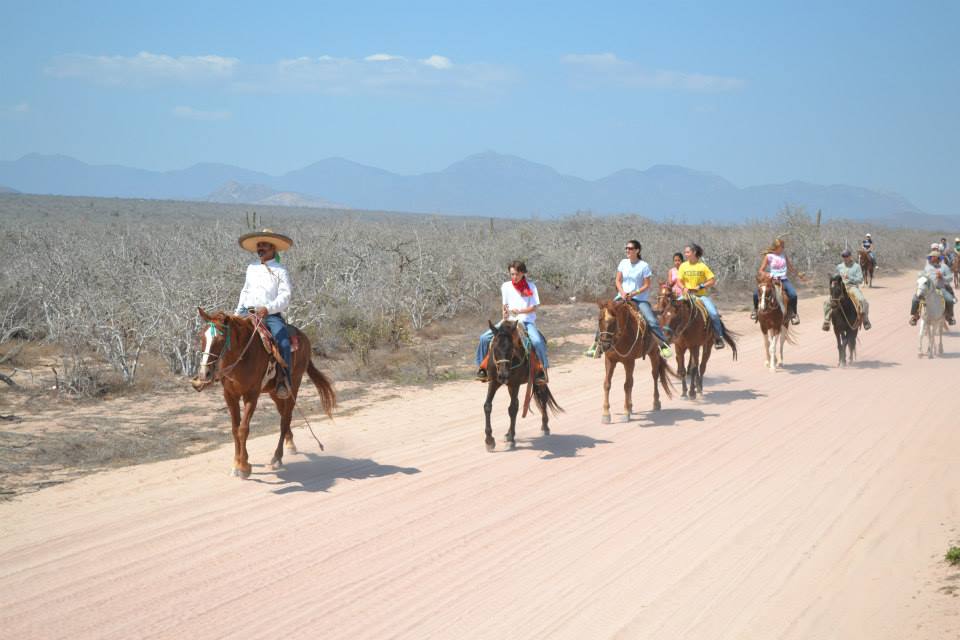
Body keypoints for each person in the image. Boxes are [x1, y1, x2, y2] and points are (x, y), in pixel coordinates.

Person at [234, 228, 294, 399]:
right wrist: (237, 313)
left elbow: (285, 295)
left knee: (283, 342)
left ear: (273, 248)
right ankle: (217, 372)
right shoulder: (251, 267)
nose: (260, 248)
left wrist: (268, 308)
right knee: (225, 335)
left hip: (270, 315)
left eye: (264, 245)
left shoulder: (280, 270)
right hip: (246, 311)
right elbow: (245, 291)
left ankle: (283, 381)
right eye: (259, 245)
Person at [476, 260, 548, 382]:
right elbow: (505, 305)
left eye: (517, 274)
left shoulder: (531, 287)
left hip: (526, 321)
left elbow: (534, 307)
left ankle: (541, 370)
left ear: (523, 273)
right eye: (512, 274)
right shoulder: (506, 286)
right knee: (484, 338)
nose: (514, 277)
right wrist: (504, 313)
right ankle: (483, 368)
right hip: (508, 321)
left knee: (537, 341)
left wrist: (519, 311)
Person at [614, 240, 673, 359]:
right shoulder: (623, 262)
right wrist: (622, 292)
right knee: (605, 313)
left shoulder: (644, 266)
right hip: (622, 296)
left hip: (639, 299)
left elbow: (647, 285)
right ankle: (596, 344)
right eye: (626, 248)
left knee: (651, 320)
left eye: (630, 248)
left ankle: (663, 345)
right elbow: (618, 280)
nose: (627, 250)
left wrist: (633, 293)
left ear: (637, 250)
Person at [677, 243, 726, 349]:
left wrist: (701, 286)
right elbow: (679, 281)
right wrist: (683, 288)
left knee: (713, 314)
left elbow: (712, 280)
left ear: (694, 252)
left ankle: (718, 337)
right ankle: (667, 337)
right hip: (686, 296)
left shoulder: (702, 266)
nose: (685, 254)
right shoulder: (683, 266)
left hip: (700, 296)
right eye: (685, 252)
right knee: (671, 310)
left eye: (687, 252)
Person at [751, 238, 803, 324]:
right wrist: (767, 274)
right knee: (756, 294)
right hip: (772, 280)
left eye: (783, 246)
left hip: (783, 279)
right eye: (782, 246)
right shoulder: (769, 256)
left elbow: (790, 267)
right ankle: (755, 311)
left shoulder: (784, 255)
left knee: (793, 295)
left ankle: (794, 314)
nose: (783, 248)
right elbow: (761, 270)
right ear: (776, 247)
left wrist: (798, 274)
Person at [822, 249, 871, 331]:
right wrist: (832, 278)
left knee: (862, 300)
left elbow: (860, 280)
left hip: (851, 287)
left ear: (850, 256)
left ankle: (865, 319)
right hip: (840, 288)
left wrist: (849, 277)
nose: (845, 258)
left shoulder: (856, 266)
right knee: (827, 302)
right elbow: (836, 278)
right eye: (843, 256)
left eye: (846, 256)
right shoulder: (839, 266)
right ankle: (827, 321)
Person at [910, 249, 956, 326]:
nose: (931, 258)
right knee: (915, 299)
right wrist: (920, 276)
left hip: (940, 289)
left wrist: (942, 277)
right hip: (927, 290)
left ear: (938, 258)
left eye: (933, 257)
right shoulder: (927, 267)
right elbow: (922, 276)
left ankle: (949, 316)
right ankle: (915, 316)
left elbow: (950, 278)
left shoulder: (944, 267)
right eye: (930, 257)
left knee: (950, 300)